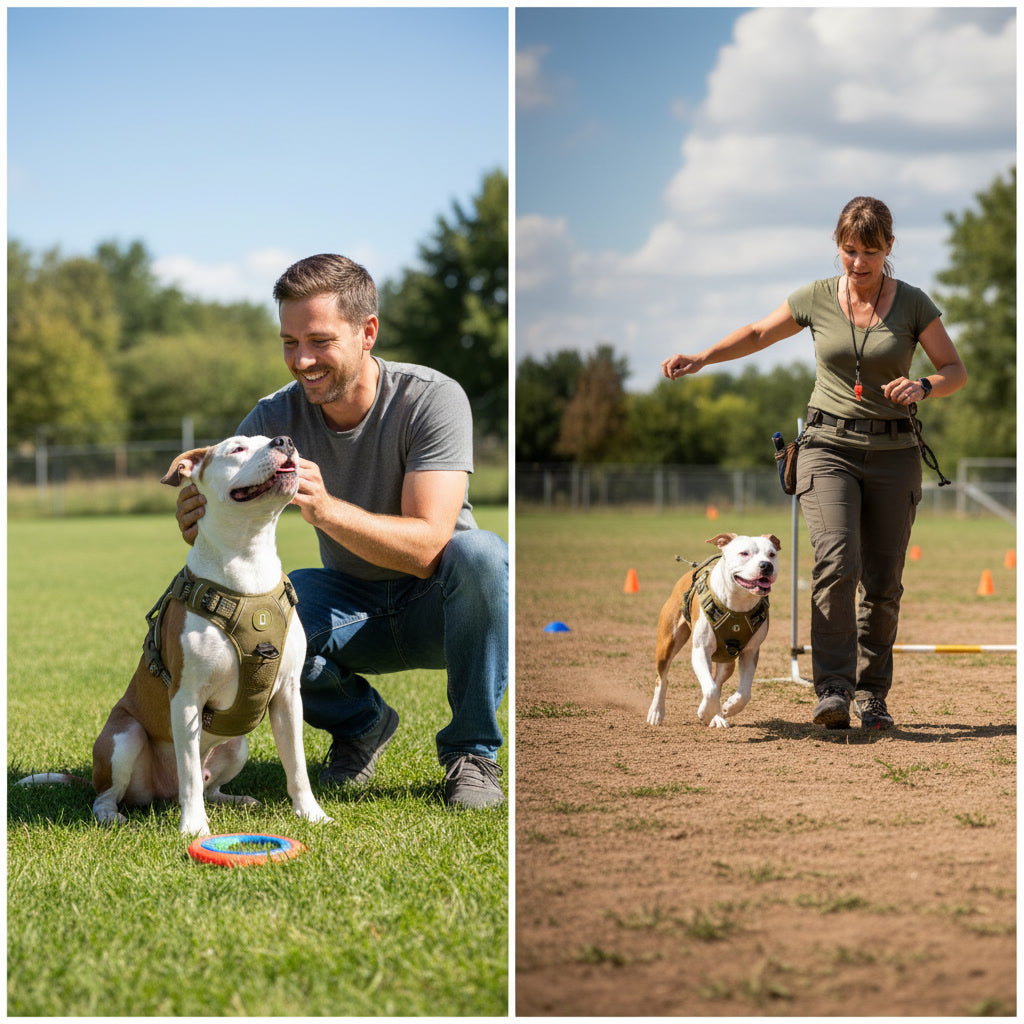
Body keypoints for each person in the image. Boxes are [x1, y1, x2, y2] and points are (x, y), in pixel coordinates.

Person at [176, 254, 508, 807]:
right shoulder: (272, 418)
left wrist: (327, 508)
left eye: (319, 341)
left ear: (367, 332)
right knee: (252, 619)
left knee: (480, 554)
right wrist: (193, 515)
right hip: (350, 605)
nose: (302, 360)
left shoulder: (432, 398)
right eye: (289, 342)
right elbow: (218, 496)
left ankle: (471, 753)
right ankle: (362, 724)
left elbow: (429, 548)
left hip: (444, 606)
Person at [661, 197, 967, 731]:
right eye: (849, 250)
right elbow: (759, 332)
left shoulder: (915, 304)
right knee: (835, 561)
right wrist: (705, 356)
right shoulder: (817, 298)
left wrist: (923, 385)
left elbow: (954, 369)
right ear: (838, 247)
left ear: (889, 247)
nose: (858, 262)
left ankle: (872, 694)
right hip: (826, 447)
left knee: (883, 580)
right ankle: (831, 689)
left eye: (870, 251)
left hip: (895, 453)